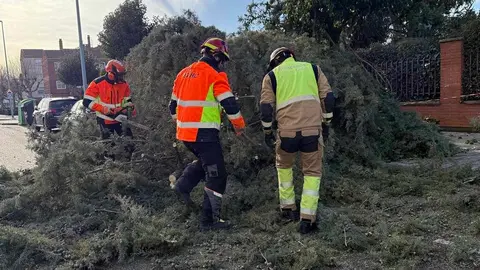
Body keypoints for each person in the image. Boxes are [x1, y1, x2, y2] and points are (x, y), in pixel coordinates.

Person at [168, 37, 246, 231]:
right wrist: (239, 126)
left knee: (207, 164)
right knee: (217, 174)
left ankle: (182, 187)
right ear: (215, 55)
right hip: (204, 135)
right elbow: (230, 105)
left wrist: (184, 121)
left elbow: (172, 107)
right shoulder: (215, 75)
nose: (222, 64)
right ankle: (208, 221)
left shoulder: (183, 74)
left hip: (185, 134)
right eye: (222, 60)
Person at [260, 47, 335, 234]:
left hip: (286, 134)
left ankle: (288, 210)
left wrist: (268, 131)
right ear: (292, 56)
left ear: (275, 62)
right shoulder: (313, 69)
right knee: (312, 173)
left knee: (284, 168)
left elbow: (266, 107)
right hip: (312, 132)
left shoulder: (271, 76)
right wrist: (327, 122)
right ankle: (307, 220)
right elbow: (328, 97)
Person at [82, 60, 136, 159]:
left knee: (130, 144)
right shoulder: (97, 83)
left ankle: (129, 165)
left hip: (120, 118)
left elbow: (127, 101)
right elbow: (86, 101)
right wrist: (103, 109)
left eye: (122, 75)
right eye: (119, 75)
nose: (121, 78)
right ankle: (110, 167)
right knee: (108, 147)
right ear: (111, 73)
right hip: (104, 120)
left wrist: (128, 109)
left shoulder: (124, 84)